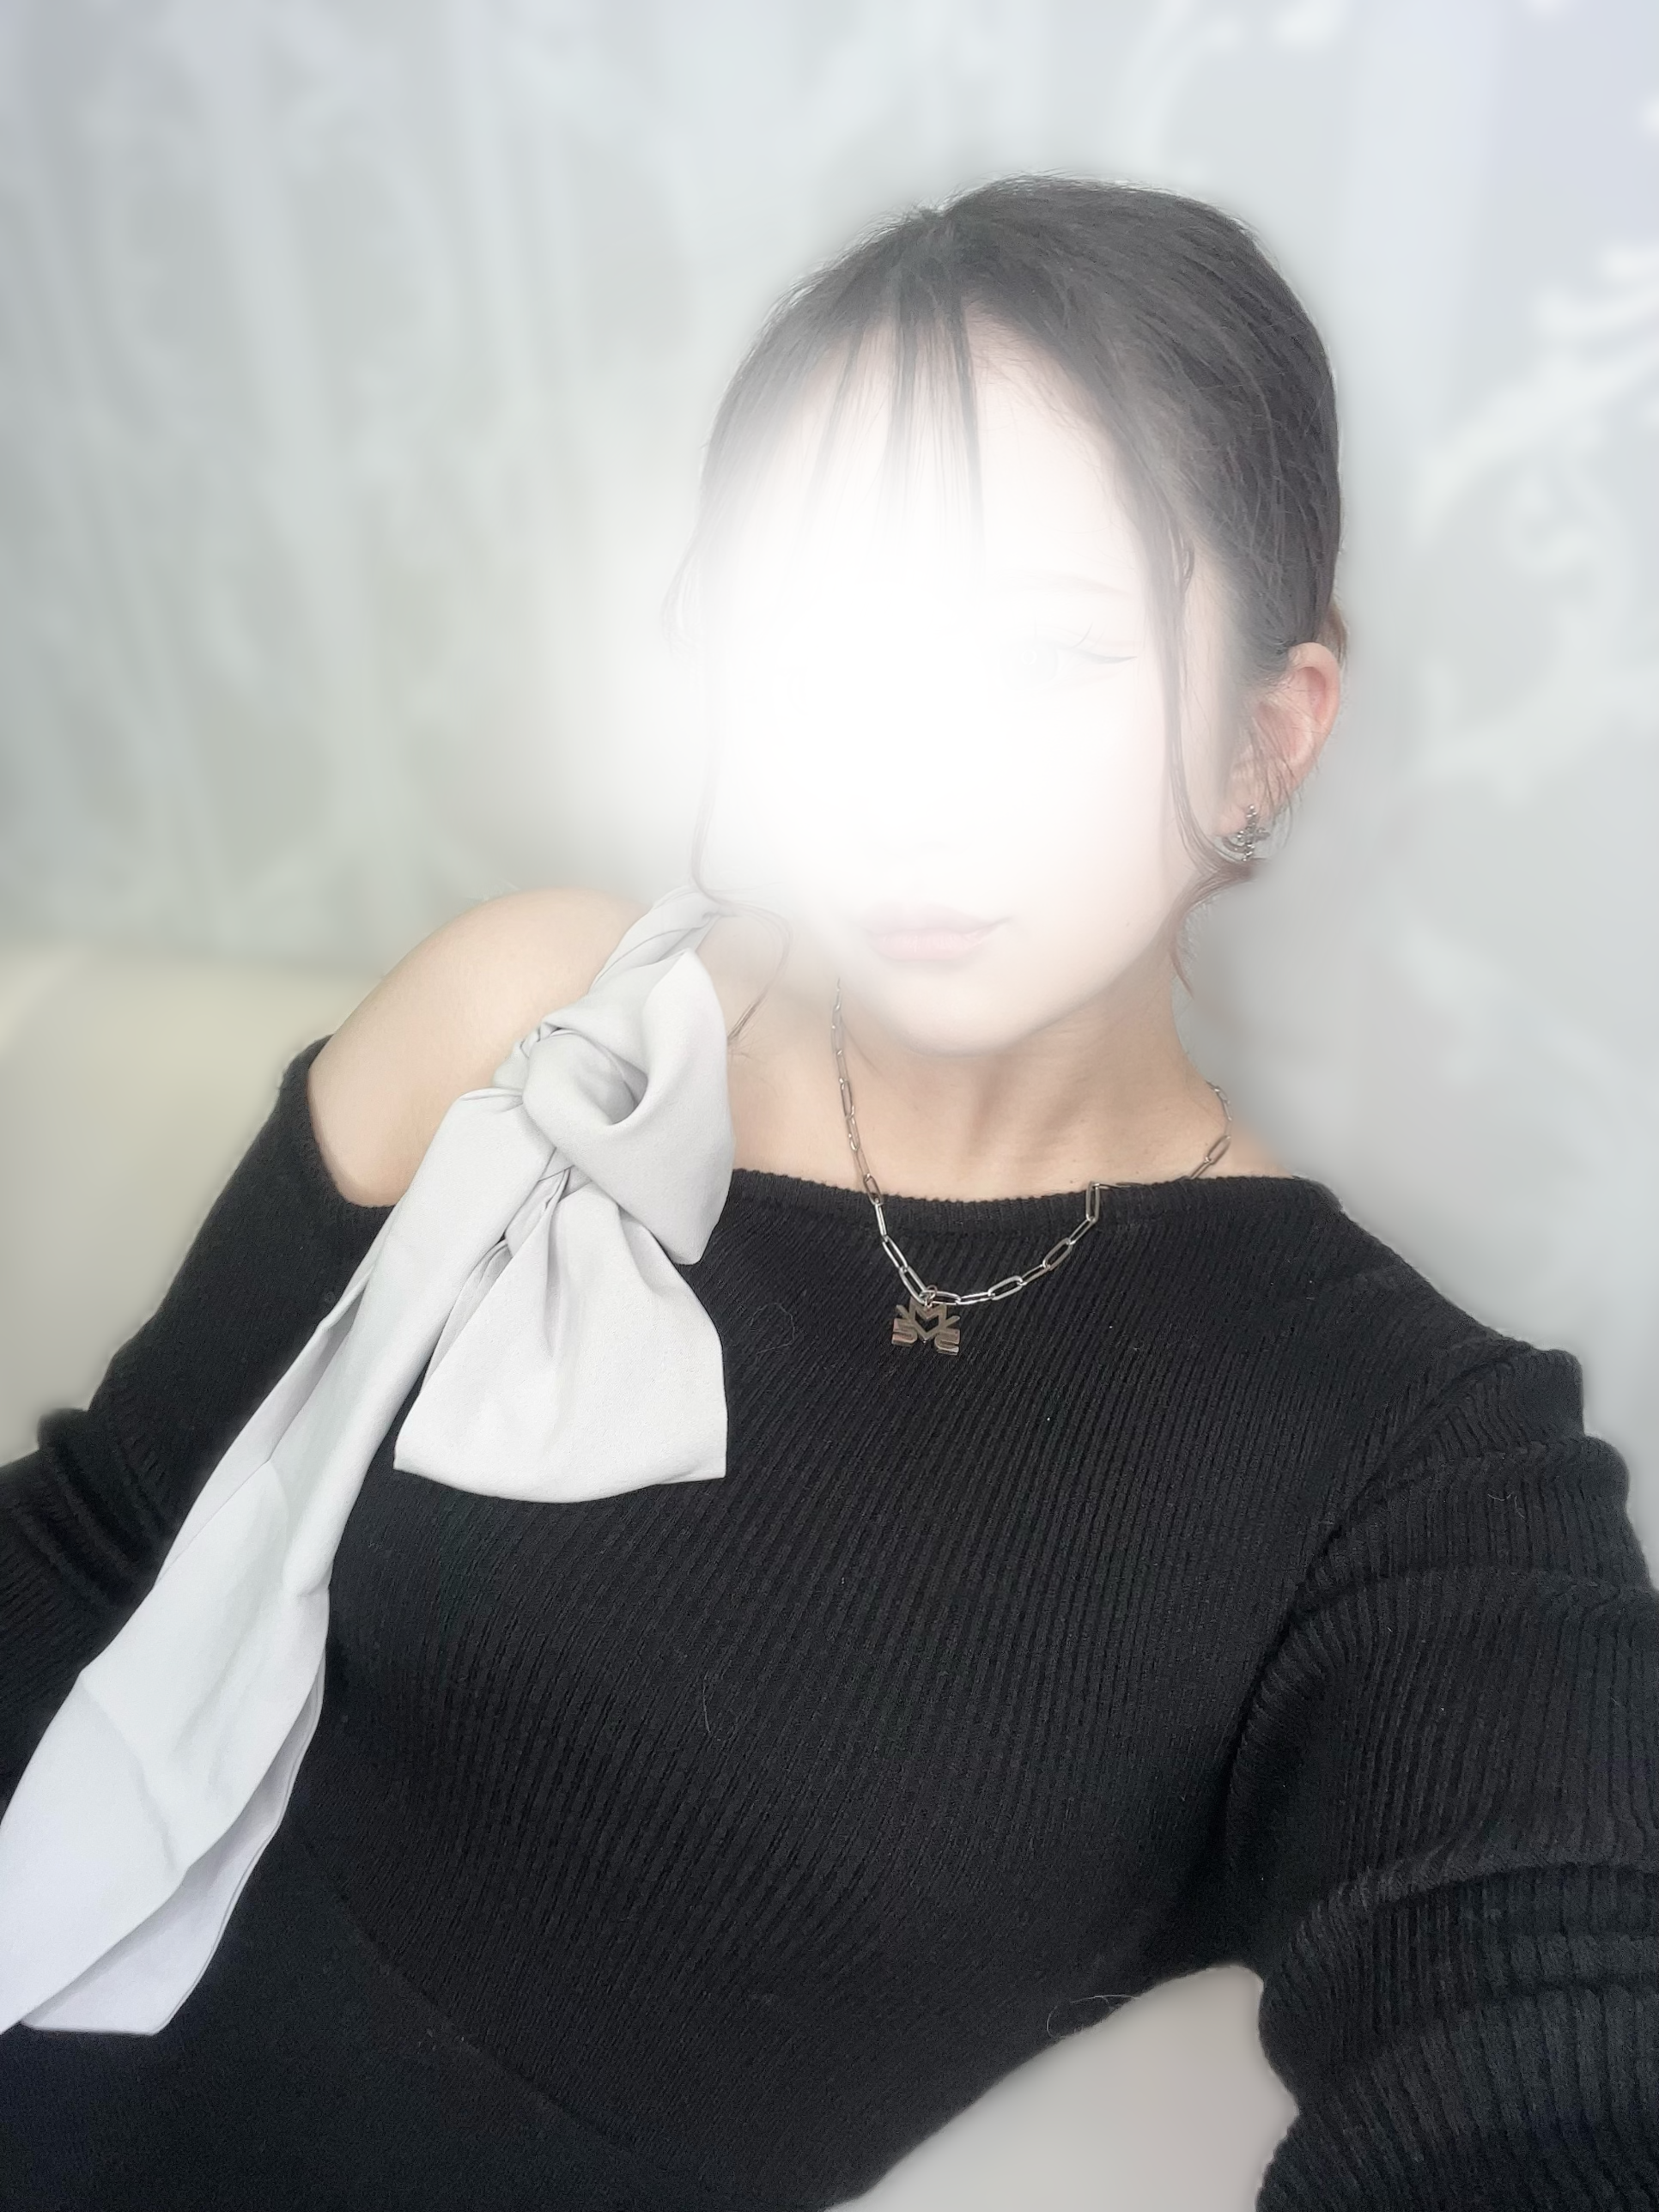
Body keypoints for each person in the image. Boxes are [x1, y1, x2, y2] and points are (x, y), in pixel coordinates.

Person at [2, 178, 1655, 2212]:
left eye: (1043, 653)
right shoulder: (545, 1026)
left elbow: (1543, 2048)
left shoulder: (1408, 1461)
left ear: (1265, 735)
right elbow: (100, 1544)